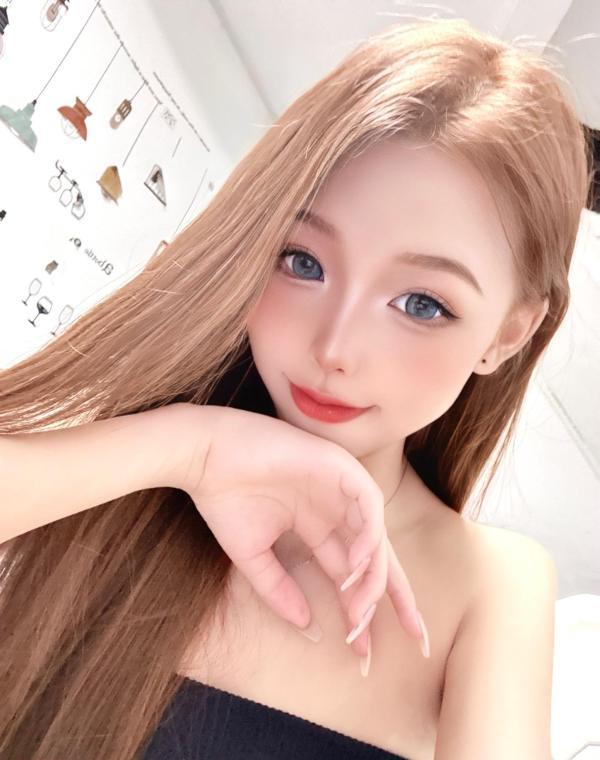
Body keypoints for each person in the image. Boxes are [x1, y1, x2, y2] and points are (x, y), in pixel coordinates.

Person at [0, 15, 593, 760]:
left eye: (422, 304)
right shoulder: (124, 461)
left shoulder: (492, 589)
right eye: (302, 261)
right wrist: (192, 449)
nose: (334, 349)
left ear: (507, 334)